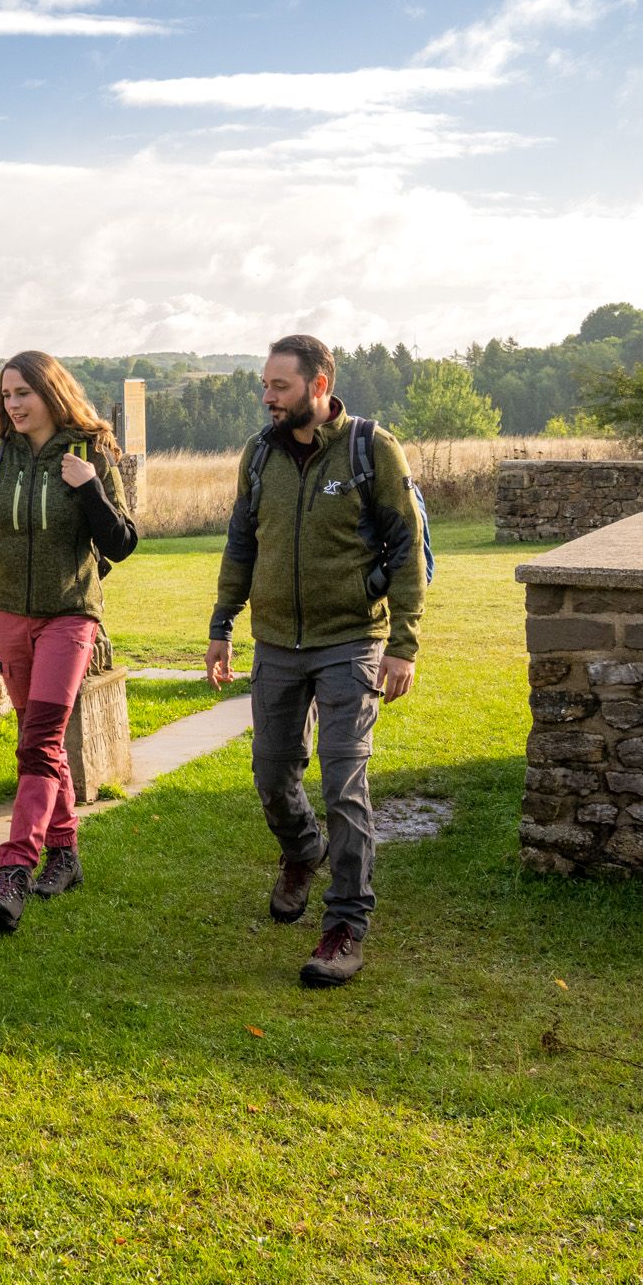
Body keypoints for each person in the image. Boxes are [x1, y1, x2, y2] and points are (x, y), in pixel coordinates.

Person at [206, 334, 425, 988]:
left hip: (352, 641)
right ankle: (303, 851)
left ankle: (345, 925)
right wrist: (223, 625)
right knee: (272, 774)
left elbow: (407, 548)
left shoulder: (371, 450)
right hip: (276, 643)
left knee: (342, 780)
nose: (267, 397)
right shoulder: (259, 455)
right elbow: (241, 543)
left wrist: (404, 643)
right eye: (266, 385)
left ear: (318, 385)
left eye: (279, 386)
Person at [0, 351, 138, 933]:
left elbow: (120, 544)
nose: (13, 405)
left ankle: (15, 871)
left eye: (24, 393)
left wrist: (90, 489)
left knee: (40, 739)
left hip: (70, 614)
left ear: (51, 392)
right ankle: (65, 853)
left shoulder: (91, 454)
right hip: (8, 612)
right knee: (37, 740)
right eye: (7, 395)